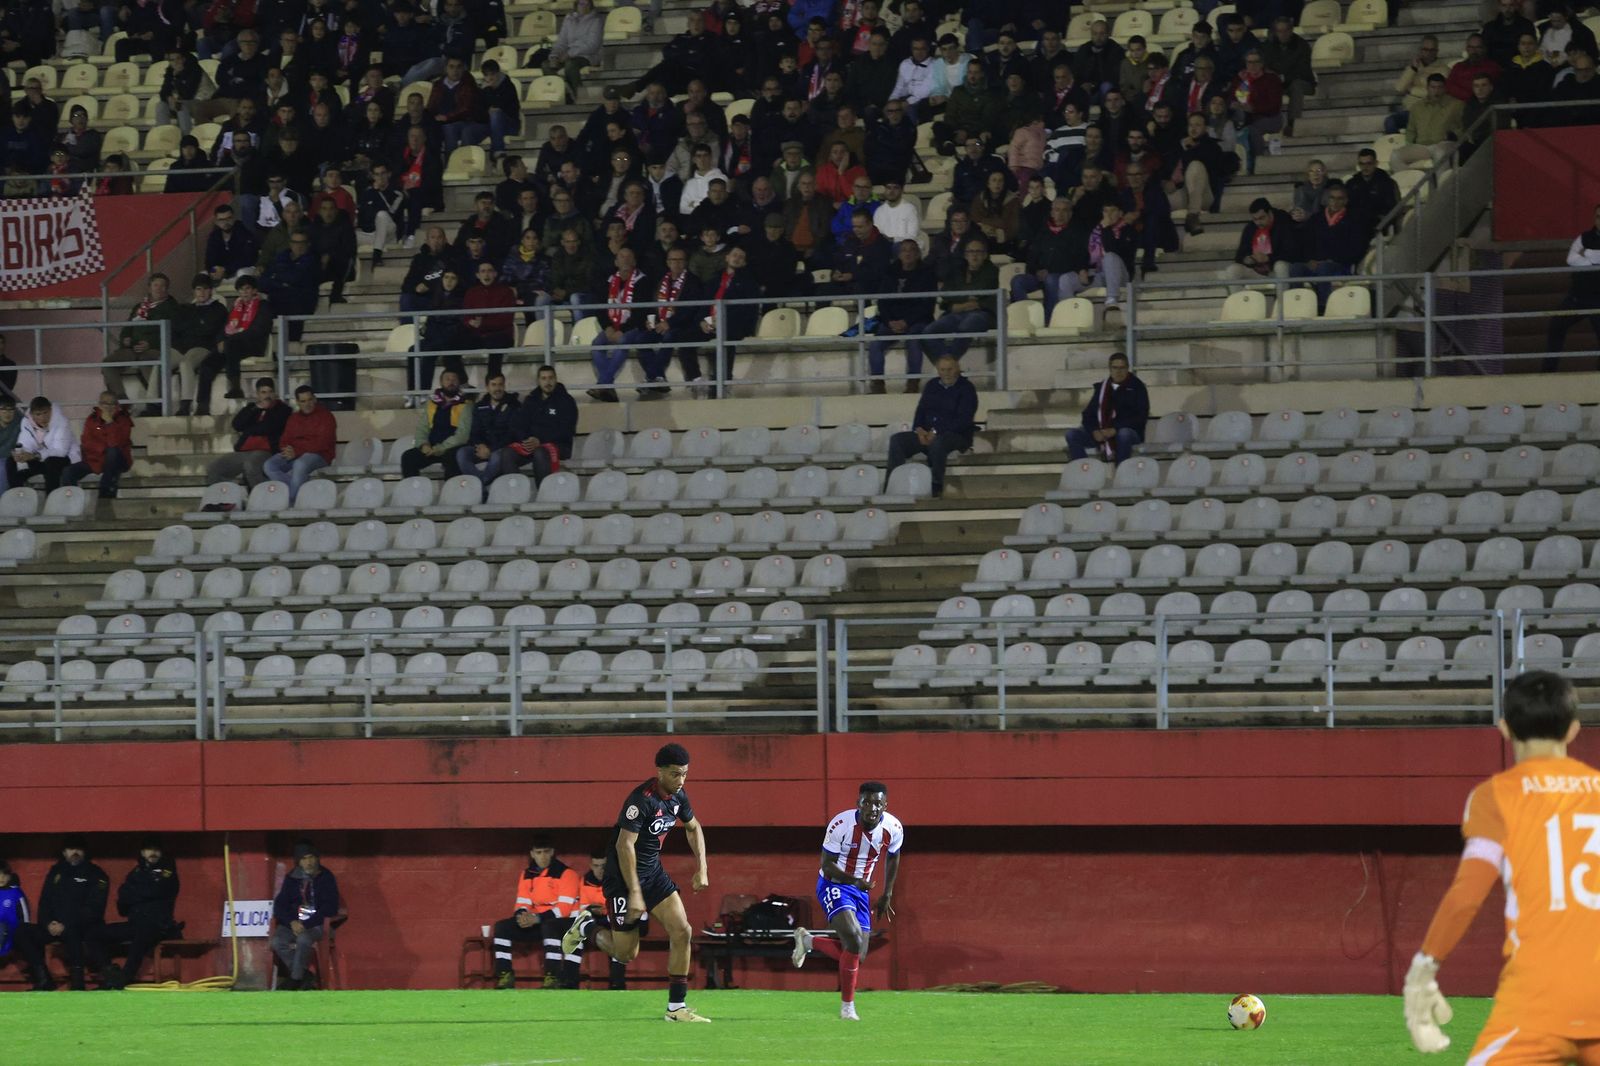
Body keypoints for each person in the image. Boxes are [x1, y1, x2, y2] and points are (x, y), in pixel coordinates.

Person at [1403, 671, 1600, 1061]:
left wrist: (1424, 967)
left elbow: (1466, 896)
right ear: (1574, 730)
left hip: (1539, 999)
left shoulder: (1495, 797)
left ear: (1505, 729)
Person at [559, 743, 711, 1023]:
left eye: (685, 774)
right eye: (676, 774)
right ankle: (586, 926)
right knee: (625, 954)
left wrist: (702, 867)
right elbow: (624, 846)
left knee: (682, 931)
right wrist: (635, 894)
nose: (681, 781)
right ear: (661, 771)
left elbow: (694, 827)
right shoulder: (641, 800)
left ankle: (676, 1008)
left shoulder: (679, 797)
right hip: (623, 881)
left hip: (653, 875)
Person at [790, 781, 903, 1021]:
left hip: (861, 890)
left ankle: (807, 941)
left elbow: (893, 856)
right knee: (852, 937)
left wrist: (887, 893)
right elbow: (827, 865)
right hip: (834, 884)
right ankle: (847, 1008)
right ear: (858, 803)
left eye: (878, 803)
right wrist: (854, 881)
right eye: (868, 802)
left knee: (857, 954)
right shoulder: (841, 824)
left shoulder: (893, 827)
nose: (873, 808)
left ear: (885, 805)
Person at [490, 836, 583, 990]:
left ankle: (552, 976)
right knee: (502, 927)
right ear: (532, 854)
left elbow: (564, 910)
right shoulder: (527, 874)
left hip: (564, 924)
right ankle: (505, 975)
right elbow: (522, 902)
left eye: (546, 852)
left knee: (549, 926)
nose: (543, 856)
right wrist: (522, 916)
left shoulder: (566, 874)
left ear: (552, 852)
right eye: (539, 852)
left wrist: (537, 918)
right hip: (539, 922)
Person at [22, 835, 109, 991]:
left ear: (85, 852)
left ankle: (78, 984)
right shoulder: (56, 872)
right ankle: (44, 979)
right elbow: (45, 902)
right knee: (21, 932)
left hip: (80, 927)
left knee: (73, 932)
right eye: (70, 849)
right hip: (53, 927)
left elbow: (94, 909)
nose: (74, 852)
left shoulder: (96, 874)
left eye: (78, 849)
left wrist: (66, 923)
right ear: (64, 852)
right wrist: (48, 923)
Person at [885, 354, 976, 497]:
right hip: (927, 433)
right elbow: (921, 410)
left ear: (957, 369)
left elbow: (963, 420)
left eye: (949, 369)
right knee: (897, 441)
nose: (946, 373)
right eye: (942, 369)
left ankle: (936, 485)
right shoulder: (932, 385)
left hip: (956, 436)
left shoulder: (967, 389)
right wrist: (919, 429)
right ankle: (891, 484)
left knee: (939, 443)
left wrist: (936, 431)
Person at [96, 837, 180, 990]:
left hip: (158, 925)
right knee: (95, 934)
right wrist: (141, 894)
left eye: (156, 850)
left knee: (142, 935)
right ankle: (110, 973)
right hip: (136, 922)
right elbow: (122, 899)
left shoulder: (168, 871)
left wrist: (135, 894)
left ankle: (125, 977)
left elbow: (157, 891)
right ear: (142, 852)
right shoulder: (135, 872)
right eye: (149, 850)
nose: (152, 853)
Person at [271, 841, 340, 991]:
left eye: (311, 858)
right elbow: (280, 904)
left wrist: (306, 924)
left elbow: (330, 907)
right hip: (295, 922)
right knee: (277, 941)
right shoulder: (292, 878)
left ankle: (295, 979)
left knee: (303, 939)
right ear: (298, 862)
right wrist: (292, 922)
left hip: (316, 923)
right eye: (304, 859)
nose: (308, 862)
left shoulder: (326, 877)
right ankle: (305, 976)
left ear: (317, 859)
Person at [871, 239, 937, 393]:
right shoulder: (890, 272)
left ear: (918, 254)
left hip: (917, 320)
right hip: (892, 322)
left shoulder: (927, 274)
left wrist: (906, 321)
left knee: (913, 341)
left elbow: (926, 305)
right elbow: (883, 302)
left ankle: (913, 384)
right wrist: (890, 321)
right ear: (899, 254)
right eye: (904, 250)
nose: (908, 253)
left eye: (912, 250)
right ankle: (877, 385)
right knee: (875, 345)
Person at [589, 247, 655, 402]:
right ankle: (608, 386)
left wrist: (623, 330)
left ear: (634, 261)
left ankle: (603, 384)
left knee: (623, 341)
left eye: (628, 257)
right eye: (622, 257)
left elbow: (641, 312)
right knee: (596, 344)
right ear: (616, 262)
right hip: (612, 326)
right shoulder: (609, 281)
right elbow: (600, 308)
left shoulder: (642, 280)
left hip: (634, 327)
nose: (625, 260)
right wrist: (608, 327)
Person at [494, 364, 577, 485]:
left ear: (556, 379)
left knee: (540, 452)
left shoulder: (566, 401)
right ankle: (518, 493)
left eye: (551, 378)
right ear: (538, 381)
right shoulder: (531, 399)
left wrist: (540, 439)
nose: (548, 382)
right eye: (543, 378)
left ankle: (543, 494)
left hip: (559, 445)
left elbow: (566, 430)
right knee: (507, 453)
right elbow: (518, 424)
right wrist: (527, 439)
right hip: (533, 444)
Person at [108, 274, 179, 410]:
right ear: (149, 288)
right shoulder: (139, 307)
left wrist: (150, 344)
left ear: (167, 289)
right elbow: (127, 328)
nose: (159, 289)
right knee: (108, 363)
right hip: (132, 349)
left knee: (146, 360)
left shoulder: (172, 308)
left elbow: (174, 333)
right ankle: (122, 400)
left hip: (154, 349)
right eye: (156, 285)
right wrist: (125, 339)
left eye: (163, 286)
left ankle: (156, 403)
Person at [920, 238, 998, 361]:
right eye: (971, 251)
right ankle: (948, 366)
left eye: (978, 251)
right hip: (956, 312)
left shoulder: (991, 270)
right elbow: (946, 293)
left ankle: (948, 366)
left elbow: (980, 289)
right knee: (929, 332)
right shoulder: (957, 271)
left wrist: (958, 300)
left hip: (982, 313)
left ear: (985, 255)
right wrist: (966, 301)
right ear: (965, 255)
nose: (974, 255)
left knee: (966, 327)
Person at [1544, 203, 1600, 372]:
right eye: (1598, 217)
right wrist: (1592, 261)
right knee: (1556, 325)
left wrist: (1588, 255)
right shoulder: (1584, 237)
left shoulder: (1585, 241)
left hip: (1598, 300)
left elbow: (1580, 258)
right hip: (1578, 296)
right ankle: (1548, 372)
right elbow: (1571, 259)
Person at [206, 378, 291, 489]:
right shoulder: (252, 408)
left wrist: (249, 428)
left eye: (270, 392)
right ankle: (228, 497)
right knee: (214, 468)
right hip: (244, 451)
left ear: (275, 393)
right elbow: (237, 424)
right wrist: (256, 409)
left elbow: (268, 427)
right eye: (263, 392)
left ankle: (260, 498)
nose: (267, 396)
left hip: (267, 451)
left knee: (251, 465)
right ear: (258, 394)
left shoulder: (283, 409)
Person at [1066, 352, 1148, 464]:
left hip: (1128, 432)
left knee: (1123, 434)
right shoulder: (1102, 388)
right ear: (1110, 369)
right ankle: (1084, 471)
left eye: (1122, 368)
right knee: (1072, 434)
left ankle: (1121, 473)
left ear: (1128, 368)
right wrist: (1094, 430)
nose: (1118, 371)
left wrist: (1115, 429)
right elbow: (1088, 414)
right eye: (1115, 368)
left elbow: (1140, 416)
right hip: (1102, 431)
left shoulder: (1137, 387)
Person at [264, 385, 337, 503]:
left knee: (300, 464)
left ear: (315, 399)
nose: (307, 404)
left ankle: (291, 501)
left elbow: (322, 443)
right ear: (297, 402)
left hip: (320, 455)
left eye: (309, 400)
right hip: (296, 453)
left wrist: (297, 451)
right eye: (303, 401)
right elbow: (284, 440)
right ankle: (297, 493)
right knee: (269, 465)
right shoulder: (294, 418)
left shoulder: (326, 416)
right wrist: (287, 450)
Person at [401, 368, 473, 477]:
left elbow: (462, 436)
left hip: (451, 448)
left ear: (459, 383)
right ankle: (414, 492)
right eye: (447, 379)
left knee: (452, 457)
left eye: (454, 380)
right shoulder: (432, 404)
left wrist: (440, 448)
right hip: (431, 448)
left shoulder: (466, 405)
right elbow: (422, 428)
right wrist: (423, 444)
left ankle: (450, 492)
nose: (451, 382)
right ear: (441, 382)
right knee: (408, 457)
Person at [63, 393, 134, 500]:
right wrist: (103, 449)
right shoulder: (92, 420)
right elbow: (87, 443)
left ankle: (105, 499)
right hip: (94, 460)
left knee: (112, 452)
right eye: (106, 404)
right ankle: (72, 502)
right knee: (68, 472)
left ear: (117, 406)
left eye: (113, 404)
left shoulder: (123, 420)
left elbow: (116, 443)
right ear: (100, 405)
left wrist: (110, 423)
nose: (109, 407)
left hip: (117, 460)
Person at [456, 372, 520, 487]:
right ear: (487, 387)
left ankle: (478, 486)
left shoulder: (514, 405)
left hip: (502, 448)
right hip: (482, 448)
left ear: (504, 386)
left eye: (500, 384)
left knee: (497, 456)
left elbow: (512, 434)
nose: (497, 388)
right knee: (462, 453)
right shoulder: (479, 406)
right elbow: (474, 432)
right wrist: (480, 445)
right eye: (493, 385)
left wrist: (491, 449)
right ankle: (482, 485)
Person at [7, 397, 79, 493]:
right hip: (41, 459)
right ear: (32, 415)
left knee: (51, 462)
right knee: (11, 462)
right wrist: (21, 454)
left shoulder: (61, 422)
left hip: (66, 458)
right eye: (38, 414)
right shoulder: (26, 422)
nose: (43, 418)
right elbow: (26, 443)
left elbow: (61, 451)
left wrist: (36, 455)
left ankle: (51, 500)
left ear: (51, 410)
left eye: (46, 413)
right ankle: (18, 497)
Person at [1220, 197, 1297, 280]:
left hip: (1276, 270)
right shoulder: (1251, 227)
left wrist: (1268, 258)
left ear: (1270, 213)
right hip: (1255, 270)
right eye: (1255, 219)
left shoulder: (1284, 224)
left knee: (1280, 266)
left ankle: (1282, 293)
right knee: (1233, 270)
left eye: (1261, 218)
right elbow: (1240, 255)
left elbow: (1291, 252)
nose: (1258, 222)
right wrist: (1248, 259)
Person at [0, 859, 47, 990]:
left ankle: (43, 979)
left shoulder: (16, 893)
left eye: (5, 874)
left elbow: (25, 918)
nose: (2, 878)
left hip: (13, 933)